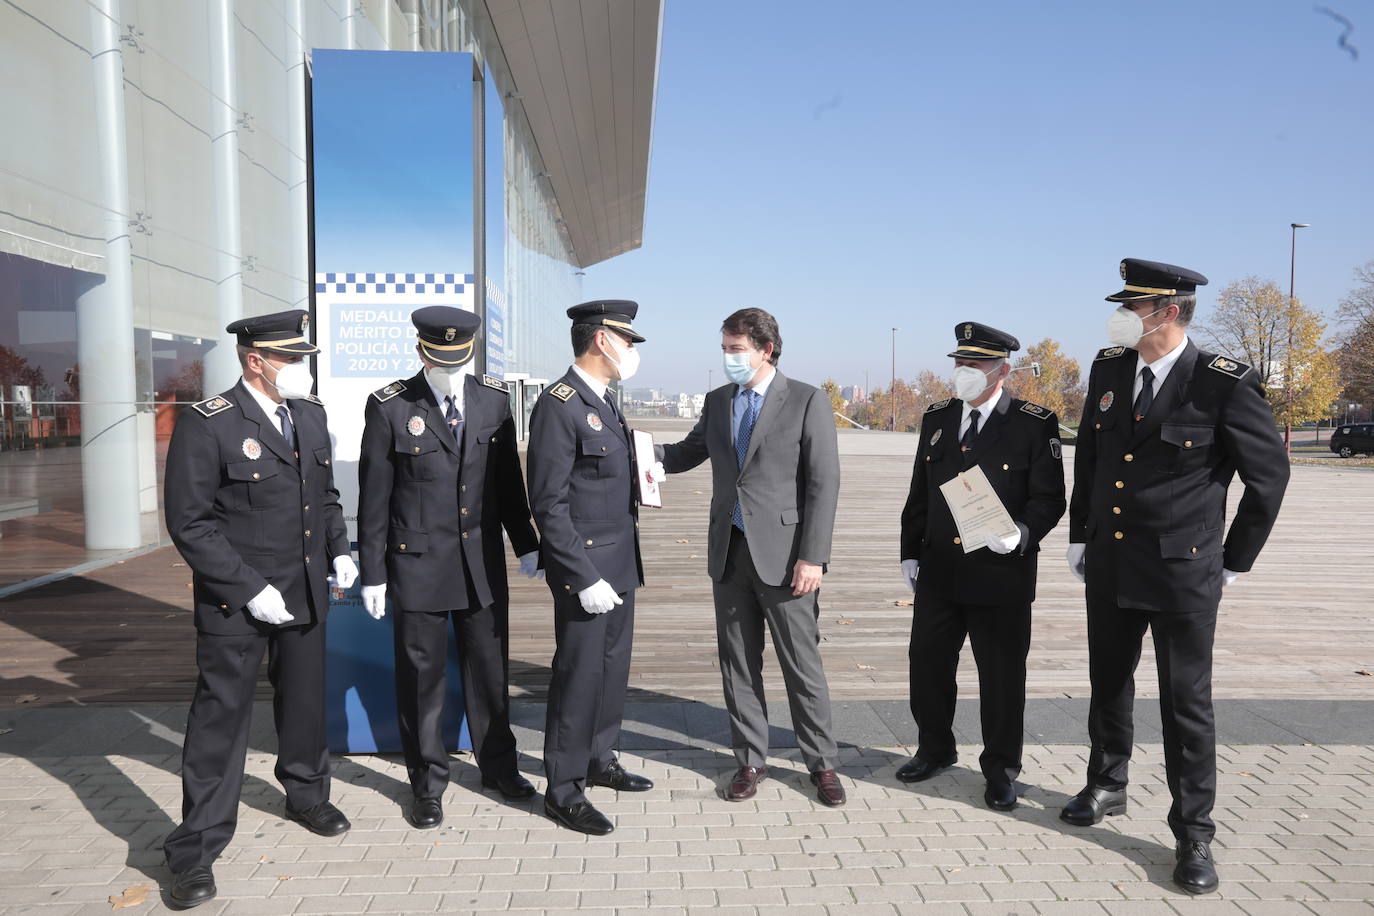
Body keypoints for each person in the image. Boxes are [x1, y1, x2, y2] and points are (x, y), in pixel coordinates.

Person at [1061, 258, 1289, 895]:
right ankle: (1107, 783)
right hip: (1110, 561)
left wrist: (1235, 560)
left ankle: (1194, 832)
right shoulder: (1110, 367)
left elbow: (1267, 479)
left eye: (1132, 307)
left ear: (1167, 312)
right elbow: (1095, 459)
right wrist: (1081, 534)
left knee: (1186, 704)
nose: (1121, 316)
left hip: (1184, 572)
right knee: (1108, 683)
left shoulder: (1223, 381)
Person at [162, 309, 356, 909]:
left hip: (303, 591)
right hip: (237, 602)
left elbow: (323, 494)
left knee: (304, 704)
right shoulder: (209, 423)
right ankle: (195, 848)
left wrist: (341, 548)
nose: (301, 369)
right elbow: (189, 524)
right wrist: (249, 588)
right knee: (220, 720)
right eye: (292, 359)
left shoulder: (309, 414)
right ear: (256, 360)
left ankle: (306, 793)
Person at [356, 307, 542, 829]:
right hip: (417, 565)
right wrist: (372, 571)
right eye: (441, 359)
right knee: (422, 680)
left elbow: (508, 485)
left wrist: (526, 542)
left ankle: (499, 767)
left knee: (489, 672)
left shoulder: (493, 402)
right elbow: (376, 498)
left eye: (460, 358)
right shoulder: (391, 407)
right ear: (421, 351)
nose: (451, 368)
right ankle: (427, 782)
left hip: (480, 563)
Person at [655, 307, 845, 807]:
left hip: (787, 559)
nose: (728, 358)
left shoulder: (807, 400)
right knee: (737, 664)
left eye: (736, 349)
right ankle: (749, 760)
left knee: (801, 665)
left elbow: (824, 485)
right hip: (730, 552)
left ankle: (821, 764)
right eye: (724, 349)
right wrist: (632, 451)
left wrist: (813, 557)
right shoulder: (719, 402)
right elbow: (686, 453)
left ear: (767, 350)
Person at [896, 322, 1066, 810]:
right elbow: (920, 491)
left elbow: (1050, 498)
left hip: (1000, 573)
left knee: (1001, 678)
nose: (963, 371)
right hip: (941, 570)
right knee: (927, 666)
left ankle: (1001, 770)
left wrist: (1023, 534)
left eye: (974, 364)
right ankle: (934, 749)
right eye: (959, 362)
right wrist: (910, 549)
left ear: (1002, 370)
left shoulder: (1034, 422)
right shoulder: (938, 417)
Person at [526, 300, 653, 835]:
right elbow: (548, 502)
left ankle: (600, 758)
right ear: (602, 340)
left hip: (620, 565)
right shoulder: (560, 403)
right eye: (628, 341)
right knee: (578, 678)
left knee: (611, 672)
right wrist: (580, 575)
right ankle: (563, 788)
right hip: (587, 574)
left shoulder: (604, 400)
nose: (631, 351)